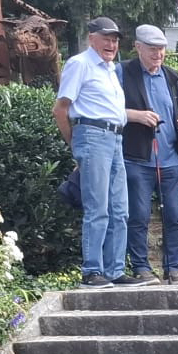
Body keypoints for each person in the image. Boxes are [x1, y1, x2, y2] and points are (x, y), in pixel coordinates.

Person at [53, 17, 132, 288]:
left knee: (120, 209)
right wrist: (77, 146)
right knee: (97, 207)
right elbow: (61, 108)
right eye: (106, 38)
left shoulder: (110, 69)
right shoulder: (80, 63)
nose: (111, 44)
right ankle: (92, 271)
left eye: (115, 39)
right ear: (91, 38)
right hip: (93, 135)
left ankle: (114, 270)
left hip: (115, 138)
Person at [120, 25, 178, 285]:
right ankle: (141, 268)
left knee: (174, 215)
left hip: (171, 158)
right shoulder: (123, 72)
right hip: (138, 158)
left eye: (161, 49)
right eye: (152, 49)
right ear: (138, 47)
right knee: (138, 215)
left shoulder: (172, 76)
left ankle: (173, 268)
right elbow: (109, 109)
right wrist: (136, 116)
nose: (158, 54)